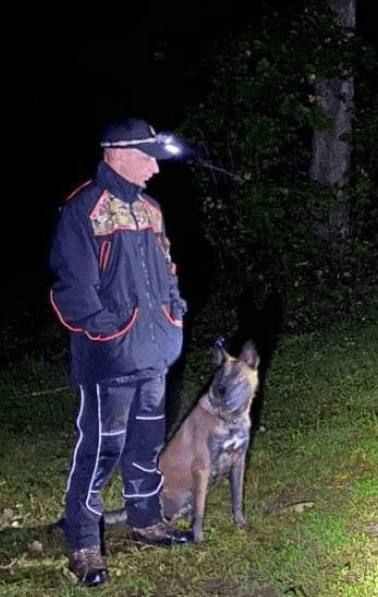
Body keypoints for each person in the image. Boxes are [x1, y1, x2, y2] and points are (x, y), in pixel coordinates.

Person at [50, 119, 194, 587]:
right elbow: (73, 287)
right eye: (148, 157)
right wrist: (107, 330)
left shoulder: (151, 209)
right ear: (118, 154)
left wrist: (174, 312)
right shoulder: (84, 209)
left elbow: (168, 271)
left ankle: (146, 521)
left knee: (145, 445)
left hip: (154, 353)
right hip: (110, 359)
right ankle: (84, 544)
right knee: (100, 451)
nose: (155, 168)